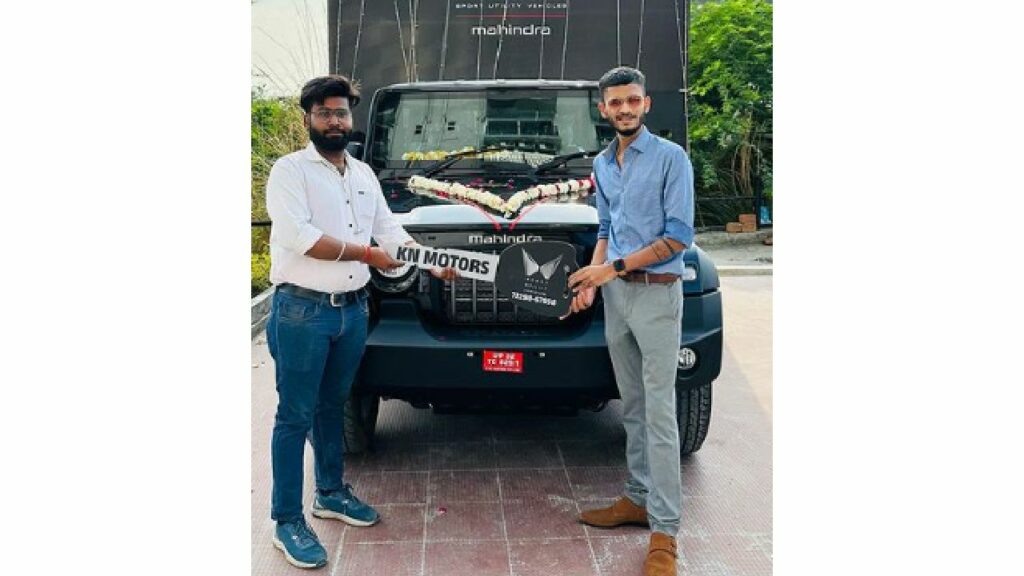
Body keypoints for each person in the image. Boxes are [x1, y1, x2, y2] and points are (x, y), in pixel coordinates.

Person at [264, 75, 455, 570]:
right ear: (307, 117)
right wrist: (366, 254)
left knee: (332, 406)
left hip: (350, 311)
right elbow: (300, 237)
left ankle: (329, 493)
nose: (335, 121)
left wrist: (431, 259)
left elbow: (389, 232)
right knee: (294, 416)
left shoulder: (363, 174)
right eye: (325, 113)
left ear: (352, 119)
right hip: (302, 311)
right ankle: (287, 519)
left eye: (342, 113)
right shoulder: (290, 172)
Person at [566, 66, 695, 576]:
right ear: (603, 109)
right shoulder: (603, 161)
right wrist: (596, 279)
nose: (624, 109)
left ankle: (664, 532)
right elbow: (606, 226)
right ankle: (638, 498)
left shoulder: (670, 159)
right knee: (634, 407)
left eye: (632, 101)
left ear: (646, 104)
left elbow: (677, 238)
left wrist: (611, 268)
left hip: (658, 297)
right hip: (617, 297)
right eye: (615, 102)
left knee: (661, 415)